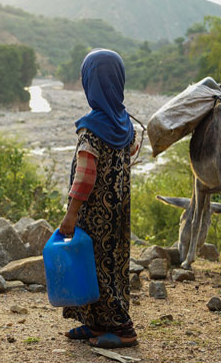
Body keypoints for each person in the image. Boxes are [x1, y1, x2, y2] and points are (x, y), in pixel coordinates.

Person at [59, 48, 138, 349]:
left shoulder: (91, 129)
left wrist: (71, 214)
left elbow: (85, 176)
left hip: (93, 217)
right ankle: (95, 323)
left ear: (90, 82)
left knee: (94, 267)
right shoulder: (123, 123)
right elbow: (129, 150)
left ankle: (123, 329)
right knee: (113, 265)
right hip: (118, 213)